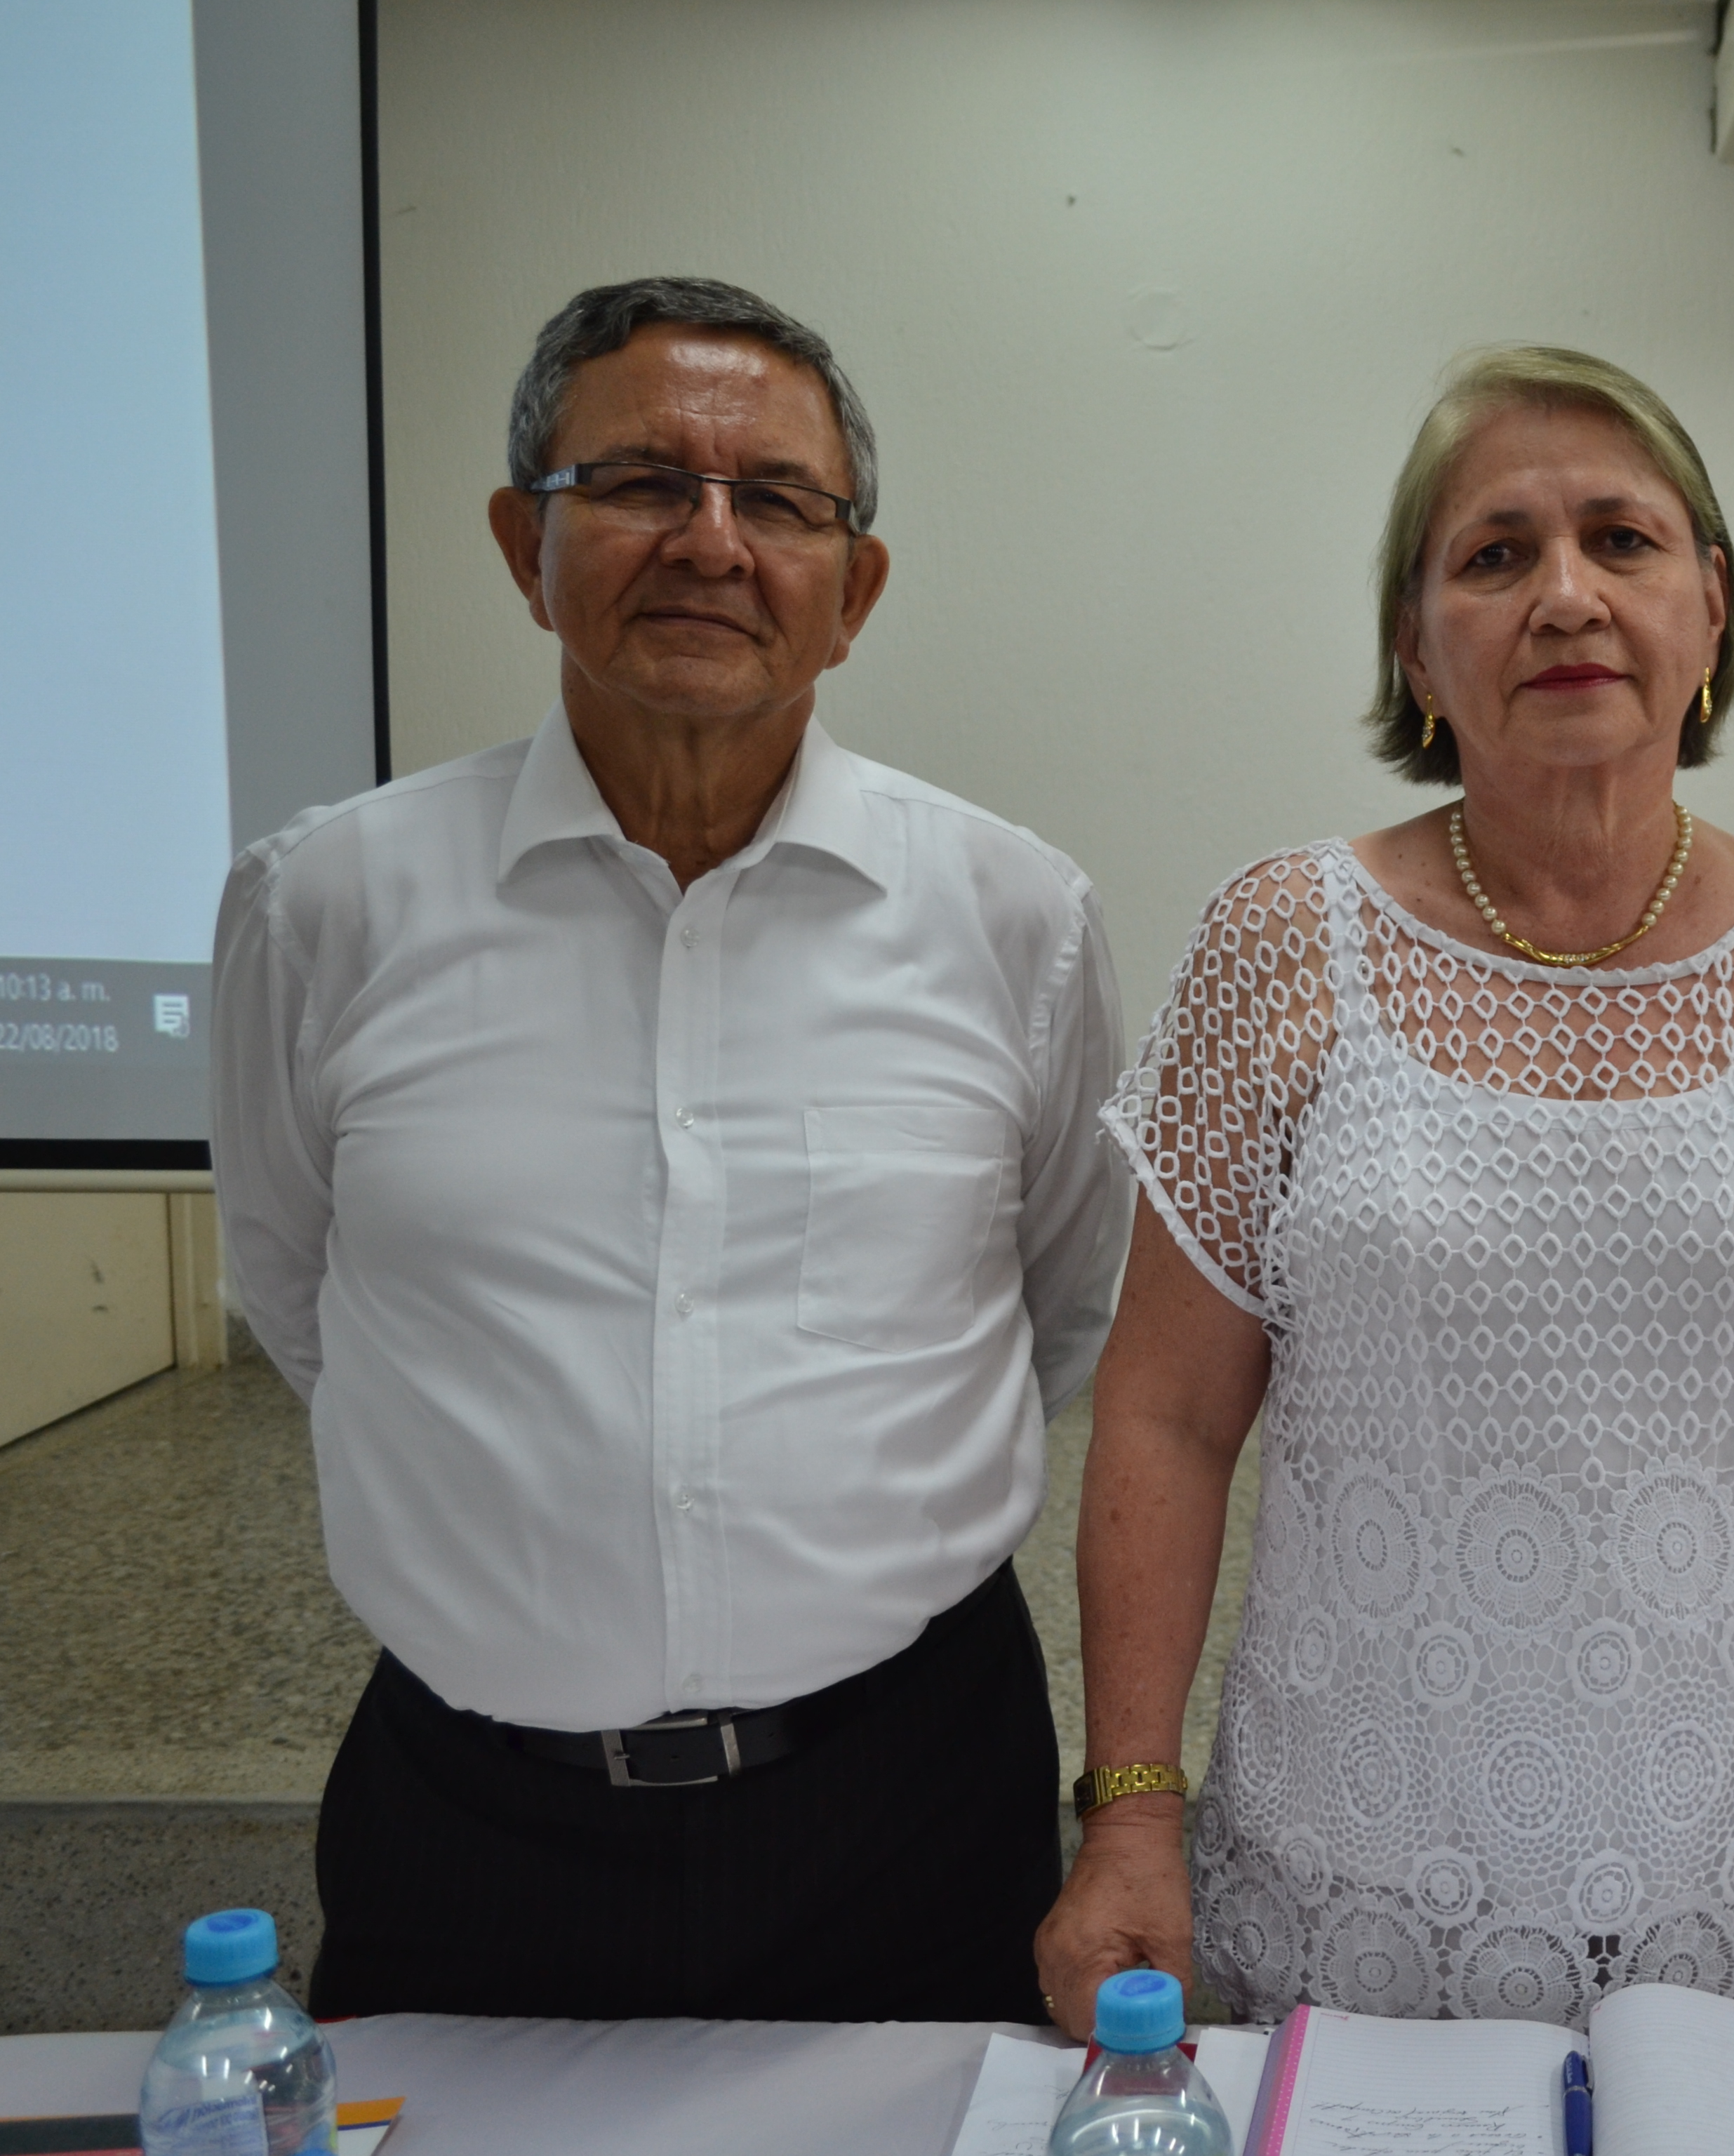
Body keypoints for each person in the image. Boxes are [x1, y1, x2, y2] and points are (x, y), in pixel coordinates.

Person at [1035, 345, 1734, 2035]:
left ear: (1710, 609)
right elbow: (1160, 1416)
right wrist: (1132, 1811)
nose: (1568, 595)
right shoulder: (1279, 943)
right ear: (1413, 643)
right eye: (1496, 553)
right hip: (1378, 1843)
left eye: (1623, 539)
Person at [210, 277, 1131, 2023]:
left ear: (851, 590)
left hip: (912, 1801)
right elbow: (296, 1278)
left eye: (777, 500)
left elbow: (1058, 1299)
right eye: (640, 481)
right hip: (468, 1811)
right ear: (521, 541)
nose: (711, 540)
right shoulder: (328, 900)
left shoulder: (1015, 913)